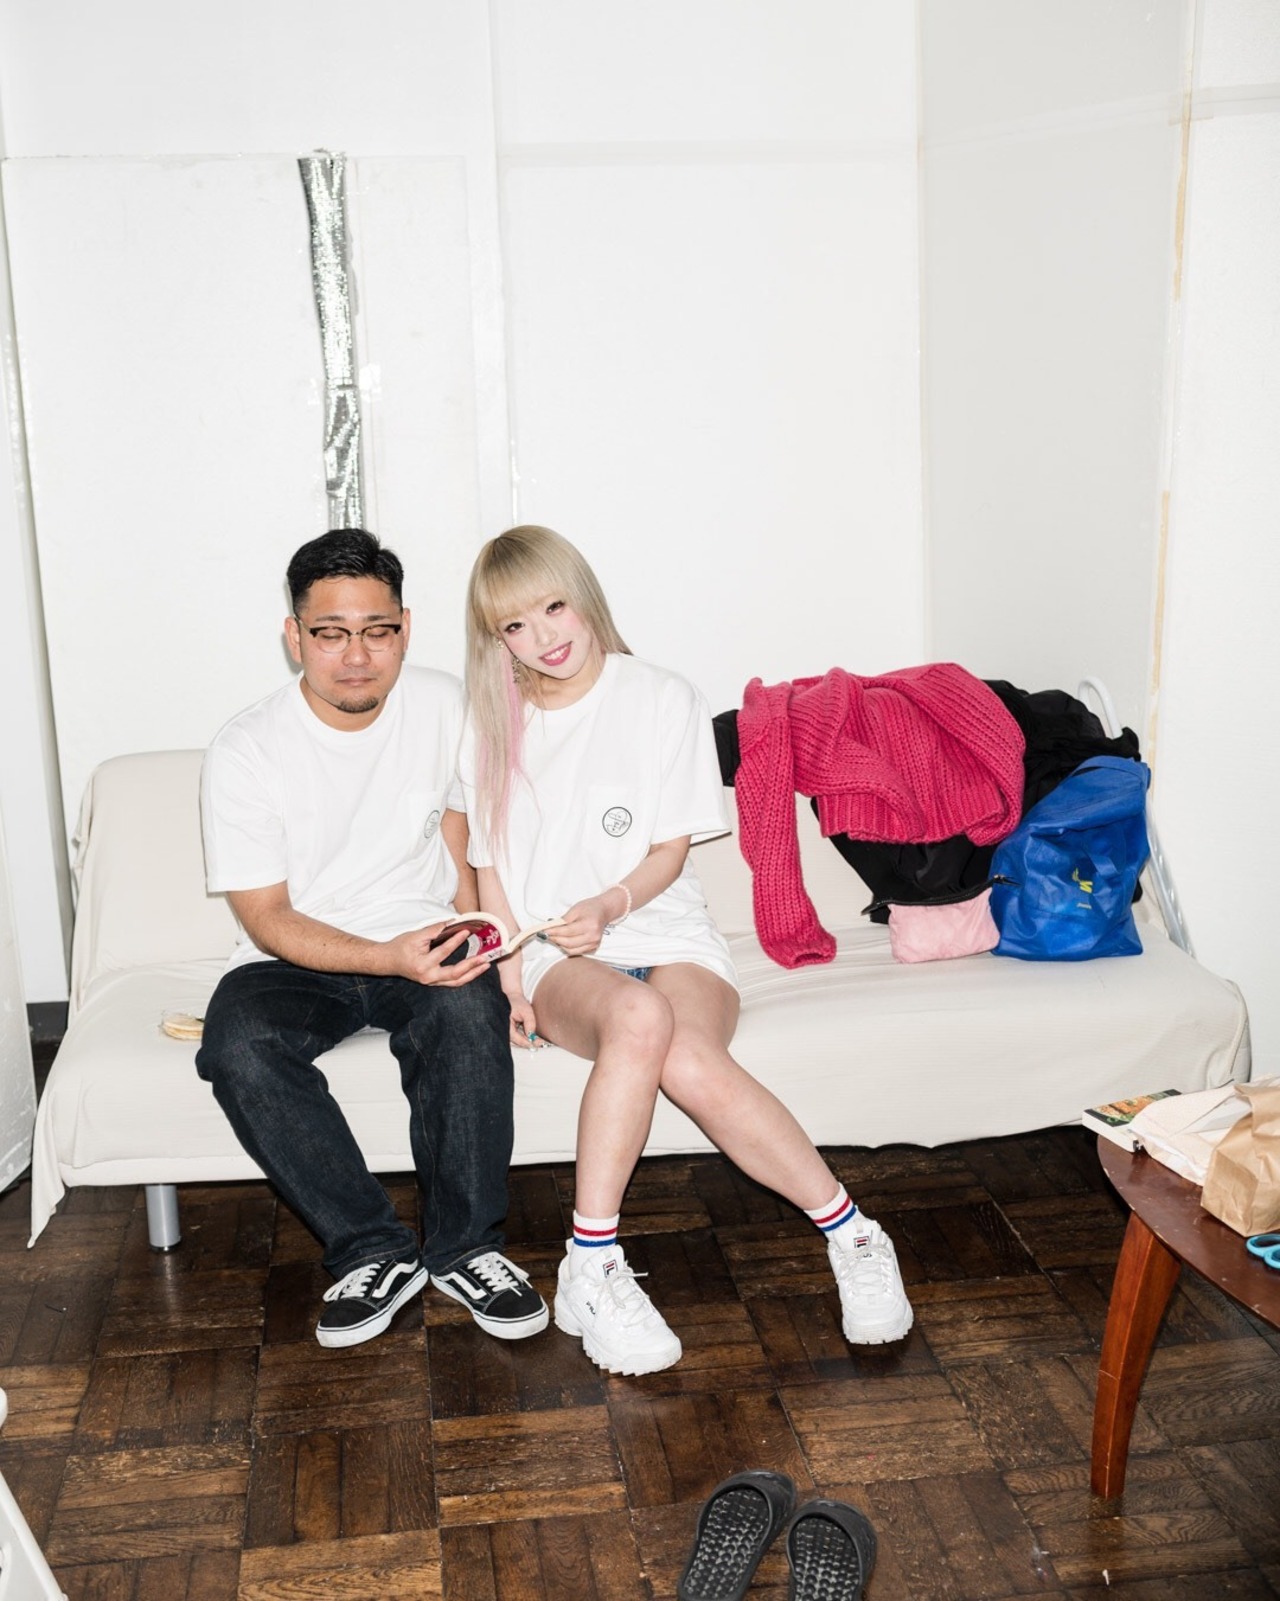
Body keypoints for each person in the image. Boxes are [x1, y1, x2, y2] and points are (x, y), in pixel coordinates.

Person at [461, 525, 913, 1375]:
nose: (543, 636)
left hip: (664, 927)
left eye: (554, 606)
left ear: (584, 597)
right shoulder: (491, 724)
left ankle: (855, 1235)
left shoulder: (661, 696)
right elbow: (490, 867)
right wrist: (511, 982)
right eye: (515, 625)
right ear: (496, 638)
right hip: (560, 957)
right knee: (638, 1017)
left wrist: (611, 903)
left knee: (688, 1053)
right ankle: (594, 1264)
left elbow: (670, 851)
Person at [195, 528, 548, 1350]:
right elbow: (266, 915)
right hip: (297, 953)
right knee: (238, 1041)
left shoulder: (444, 705)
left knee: (465, 1010)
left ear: (405, 628)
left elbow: (461, 828)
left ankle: (465, 1249)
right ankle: (373, 1249)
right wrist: (386, 956)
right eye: (330, 633)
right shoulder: (246, 748)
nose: (356, 656)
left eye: (377, 630)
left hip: (420, 931)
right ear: (294, 637)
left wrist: (476, 939)